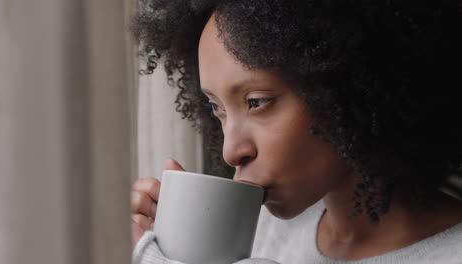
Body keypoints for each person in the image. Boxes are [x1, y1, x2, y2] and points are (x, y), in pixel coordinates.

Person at [130, 0, 462, 263]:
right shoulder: (257, 233)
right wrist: (180, 247)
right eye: (217, 108)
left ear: (346, 86)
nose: (231, 151)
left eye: (257, 102)